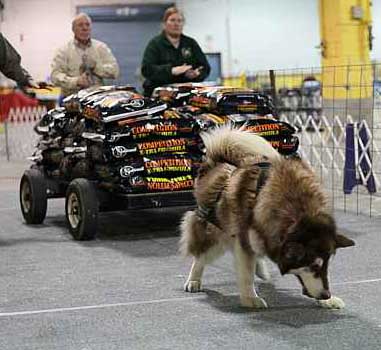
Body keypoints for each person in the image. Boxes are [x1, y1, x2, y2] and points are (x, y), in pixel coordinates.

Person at [141, 7, 211, 96]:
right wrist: (171, 70)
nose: (176, 24)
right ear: (164, 23)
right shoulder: (155, 44)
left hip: (186, 93)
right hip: (159, 94)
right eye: (172, 20)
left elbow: (205, 67)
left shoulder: (190, 43)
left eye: (179, 21)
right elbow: (147, 69)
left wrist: (196, 74)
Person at [51, 13, 119, 97]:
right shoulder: (63, 51)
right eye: (80, 25)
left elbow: (115, 71)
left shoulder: (101, 48)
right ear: (73, 29)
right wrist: (76, 81)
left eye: (87, 25)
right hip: (72, 101)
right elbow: (55, 76)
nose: (85, 28)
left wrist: (96, 67)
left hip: (98, 100)